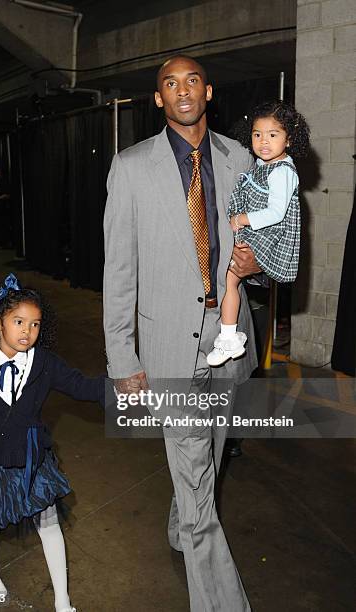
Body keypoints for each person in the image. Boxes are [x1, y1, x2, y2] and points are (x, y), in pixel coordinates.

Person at [103, 55, 262, 611]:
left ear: (208, 91)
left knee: (207, 462)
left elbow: (266, 246)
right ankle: (219, 600)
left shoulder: (241, 158)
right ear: (158, 99)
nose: (182, 90)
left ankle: (182, 526)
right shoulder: (130, 167)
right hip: (169, 345)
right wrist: (121, 359)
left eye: (191, 80)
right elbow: (119, 272)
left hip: (228, 336)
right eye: (169, 83)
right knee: (197, 479)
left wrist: (255, 264)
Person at [0, 273, 104, 612]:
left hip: (34, 459)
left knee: (49, 524)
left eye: (34, 324)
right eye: (18, 322)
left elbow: (80, 386)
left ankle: (63, 602)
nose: (26, 332)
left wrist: (118, 387)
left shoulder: (43, 363)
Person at [207, 101, 310, 367]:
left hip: (270, 235)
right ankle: (228, 335)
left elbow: (276, 213)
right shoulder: (264, 165)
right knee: (228, 278)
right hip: (256, 231)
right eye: (257, 134)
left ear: (289, 139)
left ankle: (229, 336)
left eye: (273, 135)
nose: (263, 141)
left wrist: (240, 219)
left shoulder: (283, 172)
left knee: (229, 277)